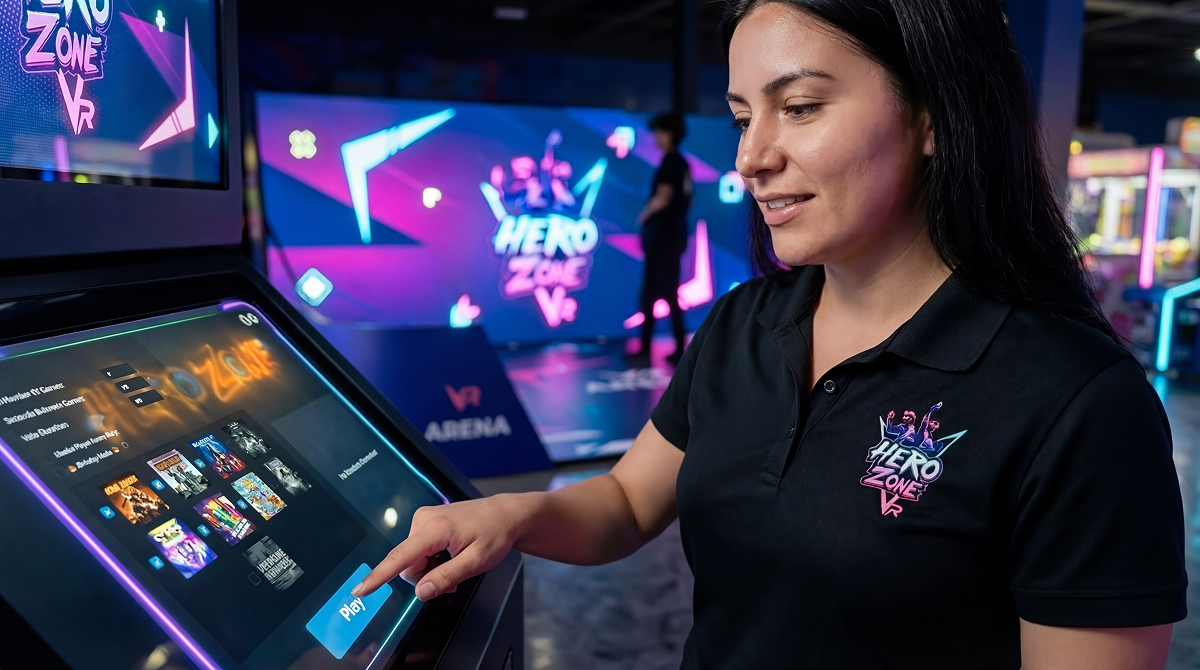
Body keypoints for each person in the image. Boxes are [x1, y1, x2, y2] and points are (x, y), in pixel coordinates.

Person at [353, 1, 1188, 667]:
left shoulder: (1078, 402)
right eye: (742, 116)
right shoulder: (744, 323)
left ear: (934, 115)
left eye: (799, 108)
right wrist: (506, 516)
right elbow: (625, 503)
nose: (752, 156)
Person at [628, 113, 693, 365]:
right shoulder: (682, 163)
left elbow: (663, 196)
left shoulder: (671, 162)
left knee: (657, 292)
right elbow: (688, 198)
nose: (655, 137)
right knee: (662, 292)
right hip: (672, 235)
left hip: (664, 238)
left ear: (668, 134)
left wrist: (643, 216)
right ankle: (663, 347)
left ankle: (665, 348)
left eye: (658, 131)